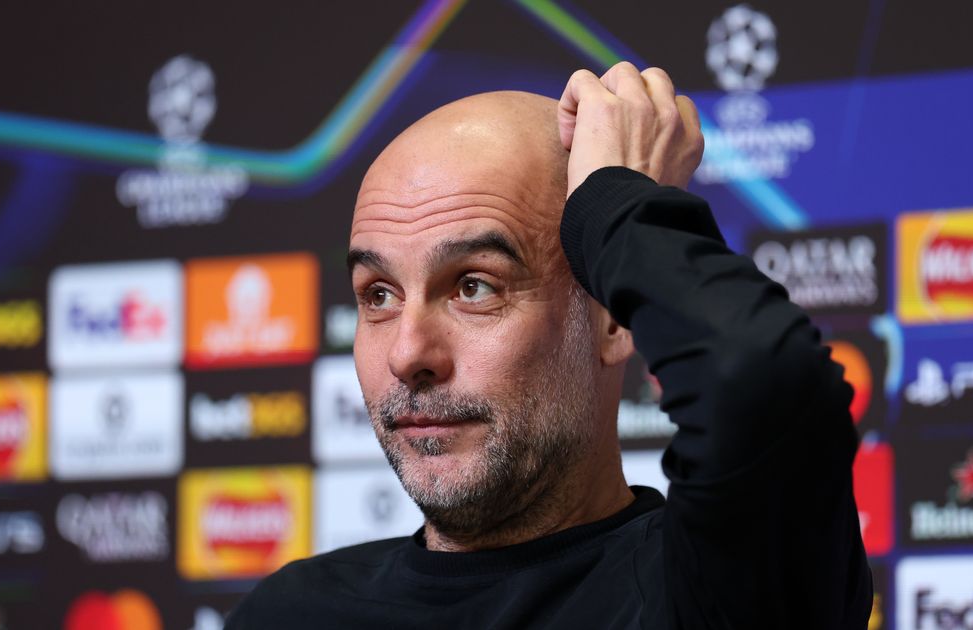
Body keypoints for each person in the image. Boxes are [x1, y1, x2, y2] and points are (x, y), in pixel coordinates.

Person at [225, 62, 872, 629]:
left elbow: (762, 379)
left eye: (474, 286)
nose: (407, 354)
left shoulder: (718, 588)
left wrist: (620, 203)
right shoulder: (288, 614)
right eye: (378, 295)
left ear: (612, 320)